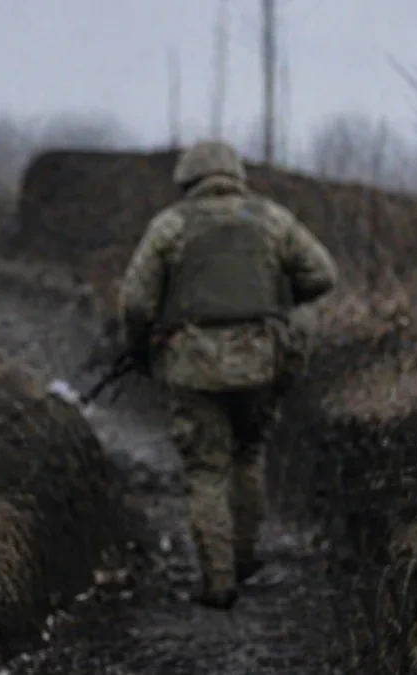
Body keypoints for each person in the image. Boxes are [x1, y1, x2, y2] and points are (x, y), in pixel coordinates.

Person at [117, 140, 338, 609]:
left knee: (207, 470)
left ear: (187, 179)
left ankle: (218, 581)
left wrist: (140, 347)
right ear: (237, 174)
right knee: (248, 456)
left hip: (194, 366)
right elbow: (323, 274)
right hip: (261, 360)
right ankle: (243, 557)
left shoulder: (171, 225)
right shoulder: (271, 219)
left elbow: (135, 303)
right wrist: (273, 308)